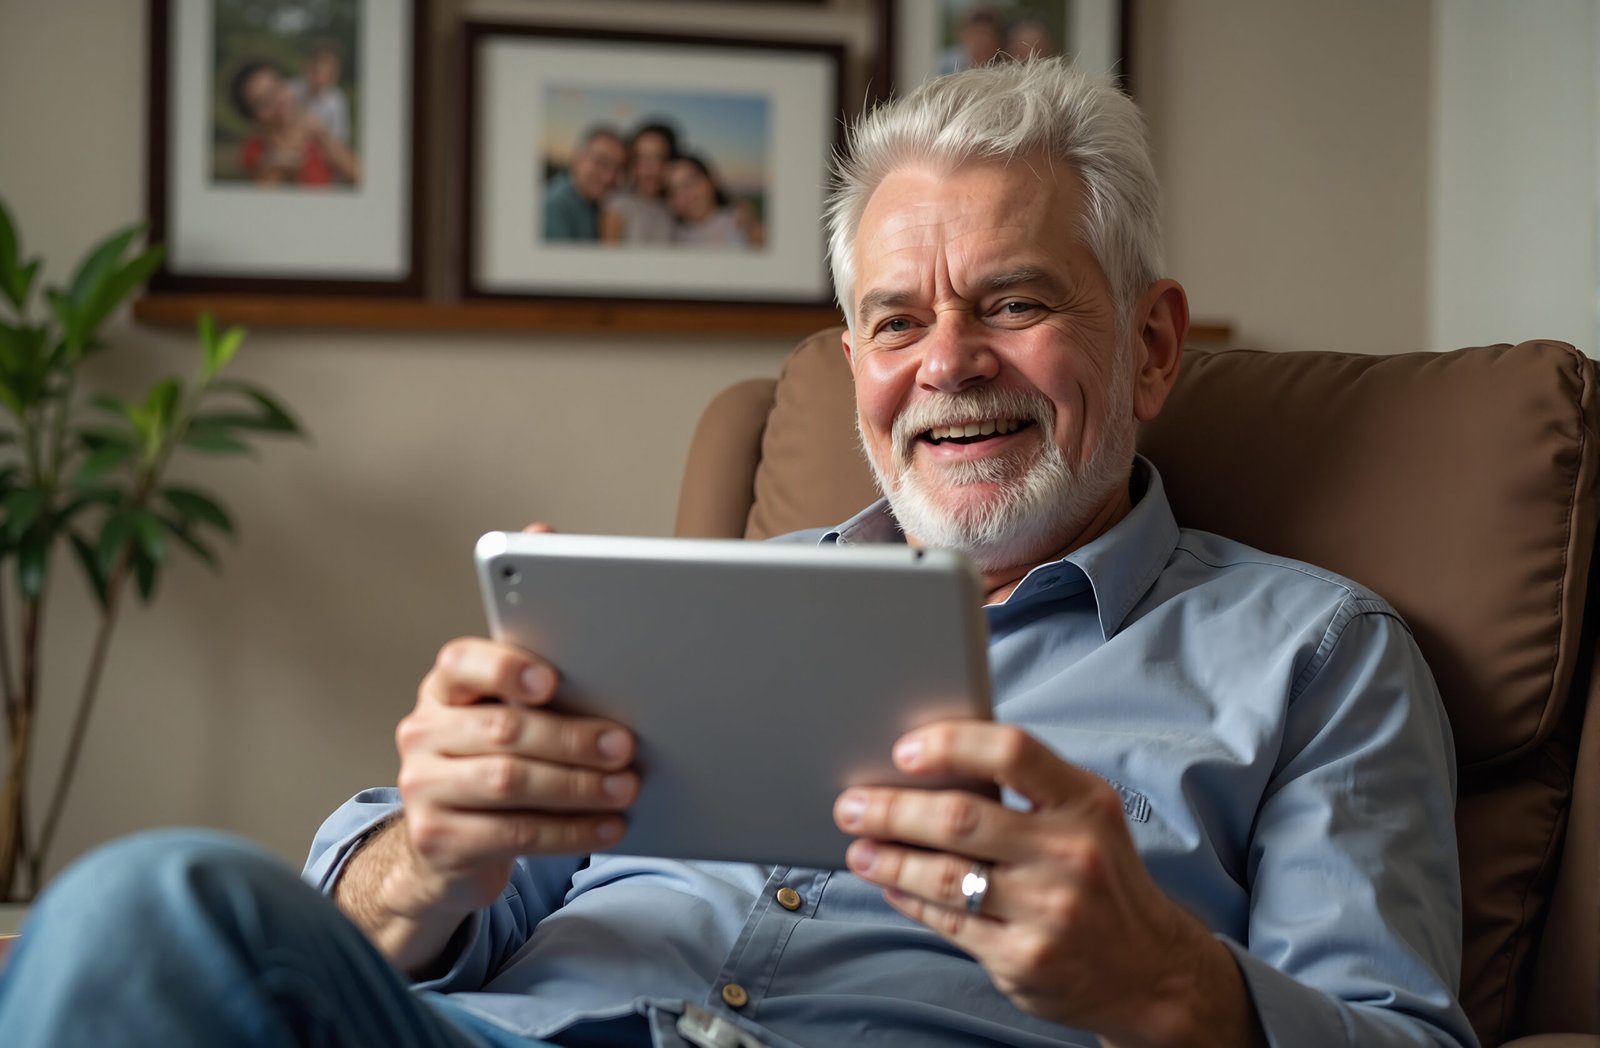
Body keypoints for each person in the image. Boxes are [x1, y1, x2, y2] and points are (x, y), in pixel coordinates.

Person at [0, 58, 1479, 1048]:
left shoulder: (1317, 654)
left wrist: (1162, 980)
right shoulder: (673, 608)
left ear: (1153, 345)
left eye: (1014, 302)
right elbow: (391, 924)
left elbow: (1401, 1031)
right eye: (899, 322)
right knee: (146, 908)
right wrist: (427, 857)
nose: (949, 364)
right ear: (856, 369)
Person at [229, 58, 360, 187]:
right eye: (263, 102)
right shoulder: (254, 150)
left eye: (277, 88)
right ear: (253, 117)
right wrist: (279, 165)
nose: (277, 101)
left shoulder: (315, 130)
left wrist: (323, 136)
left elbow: (360, 176)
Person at [599, 121, 679, 245]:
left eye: (660, 158)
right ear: (631, 163)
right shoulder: (617, 206)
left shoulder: (673, 208)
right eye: (642, 158)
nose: (651, 169)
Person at [542, 126, 626, 242]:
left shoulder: (600, 204)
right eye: (602, 162)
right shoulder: (552, 208)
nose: (609, 177)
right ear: (578, 158)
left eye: (618, 169)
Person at [667, 153, 763, 248]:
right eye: (674, 191)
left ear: (711, 180)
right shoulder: (672, 238)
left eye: (690, 183)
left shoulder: (743, 226)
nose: (686, 196)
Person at [291, 39, 351, 147]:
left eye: (327, 66)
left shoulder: (337, 99)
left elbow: (339, 142)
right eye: (316, 64)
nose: (320, 70)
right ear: (306, 64)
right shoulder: (290, 90)